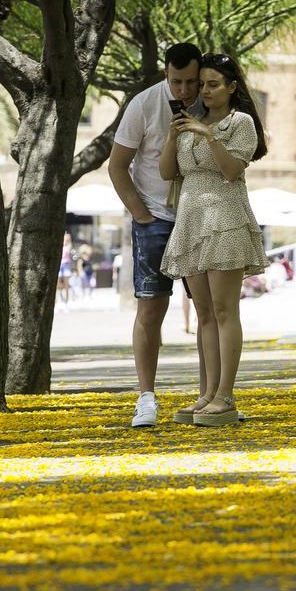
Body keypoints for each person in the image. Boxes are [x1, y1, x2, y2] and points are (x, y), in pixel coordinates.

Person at [159, 53, 268, 427]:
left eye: (212, 84)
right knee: (203, 312)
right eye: (201, 84)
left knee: (225, 310)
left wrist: (208, 135)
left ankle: (225, 395)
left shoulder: (242, 123)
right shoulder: (190, 120)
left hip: (225, 217)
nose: (204, 91)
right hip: (190, 218)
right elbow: (166, 172)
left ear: (232, 87)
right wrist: (174, 136)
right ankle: (207, 393)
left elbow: (232, 169)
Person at [108, 42, 207, 428]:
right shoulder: (143, 104)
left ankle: (210, 395)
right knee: (151, 308)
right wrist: (141, 215)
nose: (185, 91)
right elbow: (118, 166)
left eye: (191, 83)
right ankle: (146, 397)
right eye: (177, 82)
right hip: (155, 218)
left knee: (208, 312)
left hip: (200, 218)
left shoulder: (211, 101)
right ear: (166, 73)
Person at [57, 233, 74, 304]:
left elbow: (69, 251)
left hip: (66, 264)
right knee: (58, 283)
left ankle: (66, 301)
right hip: (60, 264)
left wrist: (68, 242)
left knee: (66, 283)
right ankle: (58, 299)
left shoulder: (69, 246)